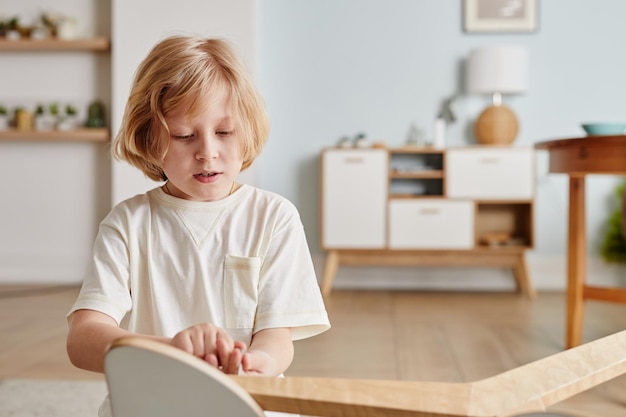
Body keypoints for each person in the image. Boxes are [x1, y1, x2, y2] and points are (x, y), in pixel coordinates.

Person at [66, 35, 330, 416]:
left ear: (248, 129)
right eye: (184, 135)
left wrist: (255, 365)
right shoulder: (127, 224)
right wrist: (171, 352)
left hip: (247, 402)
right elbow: (82, 338)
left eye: (224, 132)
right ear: (149, 137)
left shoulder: (275, 217)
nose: (208, 151)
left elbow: (277, 339)